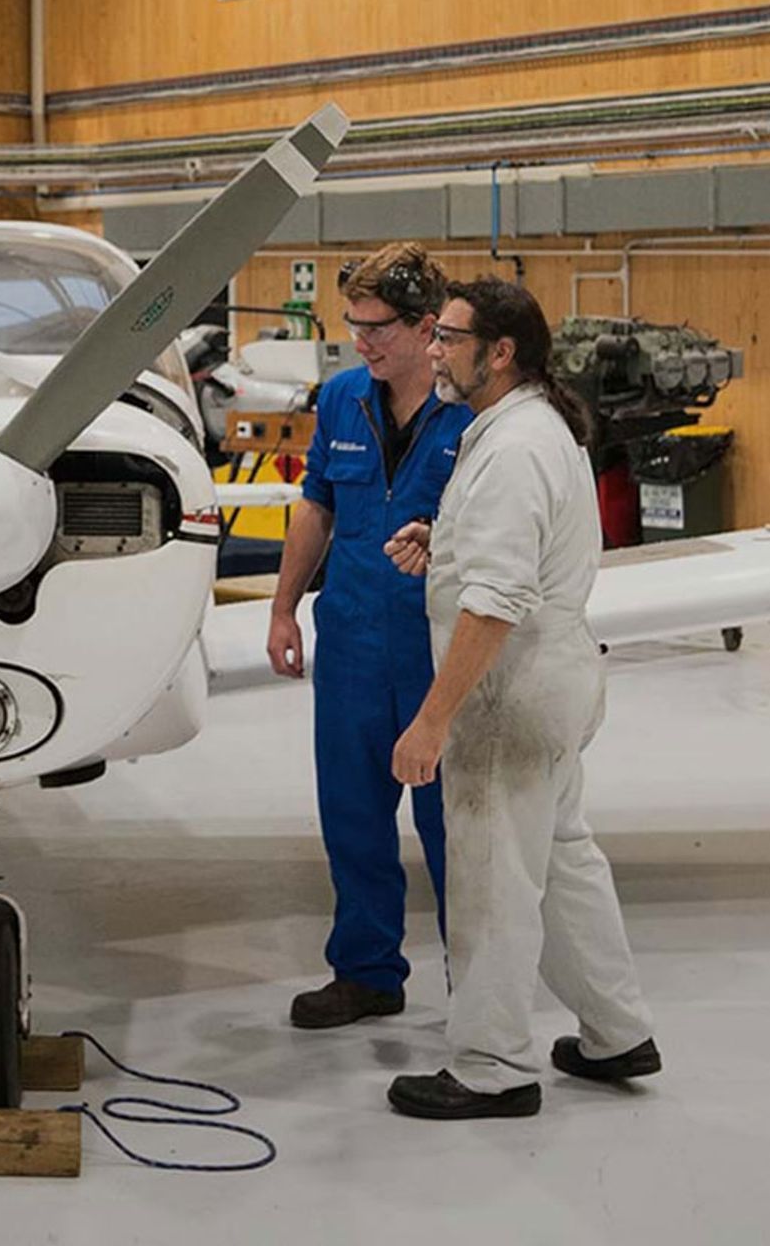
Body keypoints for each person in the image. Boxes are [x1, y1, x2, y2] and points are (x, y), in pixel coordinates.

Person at [380, 277, 659, 1120]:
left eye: (448, 338)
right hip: (553, 676)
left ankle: (492, 1066)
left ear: (500, 353)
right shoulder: (526, 429)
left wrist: (432, 721)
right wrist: (447, 542)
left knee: (492, 879)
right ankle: (616, 1033)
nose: (433, 351)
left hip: (509, 694)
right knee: (563, 860)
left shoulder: (513, 449)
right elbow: (516, 555)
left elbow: (497, 603)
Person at [267, 243, 472, 1029]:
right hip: (351, 639)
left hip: (438, 649)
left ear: (427, 327)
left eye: (377, 327)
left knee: (455, 824)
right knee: (352, 815)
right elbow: (317, 503)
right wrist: (284, 607)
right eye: (353, 324)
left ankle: (477, 985)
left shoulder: (473, 415)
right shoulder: (343, 398)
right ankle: (366, 973)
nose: (361, 342)